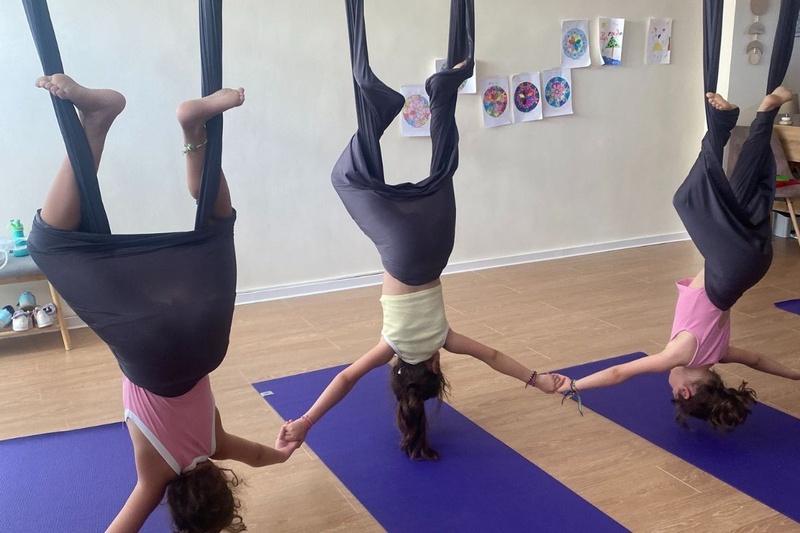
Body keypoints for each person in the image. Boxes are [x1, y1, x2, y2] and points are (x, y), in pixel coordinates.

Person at [282, 0, 563, 461]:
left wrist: (540, 380)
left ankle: (445, 87)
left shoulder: (442, 337)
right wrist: (305, 422)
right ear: (397, 369)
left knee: (443, 167)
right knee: (346, 179)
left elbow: (492, 356)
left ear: (434, 363)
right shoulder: (390, 344)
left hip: (439, 244)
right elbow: (344, 379)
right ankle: (385, 105)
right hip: (402, 251)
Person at [31, 74, 300, 533]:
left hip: (204, 333)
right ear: (173, 508)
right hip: (147, 350)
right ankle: (95, 123)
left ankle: (193, 131)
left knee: (217, 225)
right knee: (49, 243)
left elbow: (256, 455)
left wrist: (282, 452)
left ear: (221, 478)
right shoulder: (153, 480)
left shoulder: (214, 444)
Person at [558, 89, 800, 431]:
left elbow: (758, 360)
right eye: (674, 392)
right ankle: (722, 124)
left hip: (752, 265)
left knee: (743, 190)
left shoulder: (718, 354)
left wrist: (795, 374)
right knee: (687, 200)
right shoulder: (680, 355)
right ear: (685, 391)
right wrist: (572, 386)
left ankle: (766, 111)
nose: (669, 385)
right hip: (732, 265)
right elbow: (620, 372)